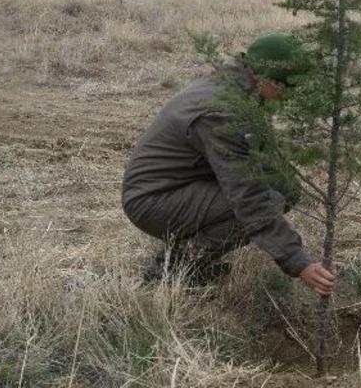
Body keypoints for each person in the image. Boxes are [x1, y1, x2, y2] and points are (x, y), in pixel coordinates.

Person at [121, 33, 336, 295]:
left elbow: (261, 158)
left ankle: (193, 260)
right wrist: (298, 262)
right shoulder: (223, 112)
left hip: (185, 182)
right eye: (288, 86)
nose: (292, 94)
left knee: (285, 187)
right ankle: (173, 268)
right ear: (265, 77)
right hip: (153, 199)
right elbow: (248, 196)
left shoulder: (241, 84)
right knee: (263, 202)